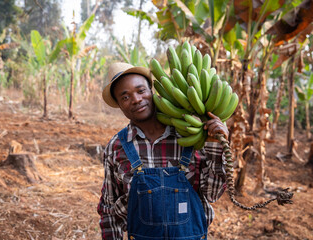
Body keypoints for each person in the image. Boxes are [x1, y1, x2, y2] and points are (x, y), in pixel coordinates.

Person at [97, 62, 228, 240]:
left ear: (152, 91)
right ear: (119, 105)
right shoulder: (117, 146)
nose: (136, 99)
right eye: (125, 97)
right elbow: (109, 209)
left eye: (141, 90)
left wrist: (216, 145)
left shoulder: (190, 135)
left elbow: (212, 194)